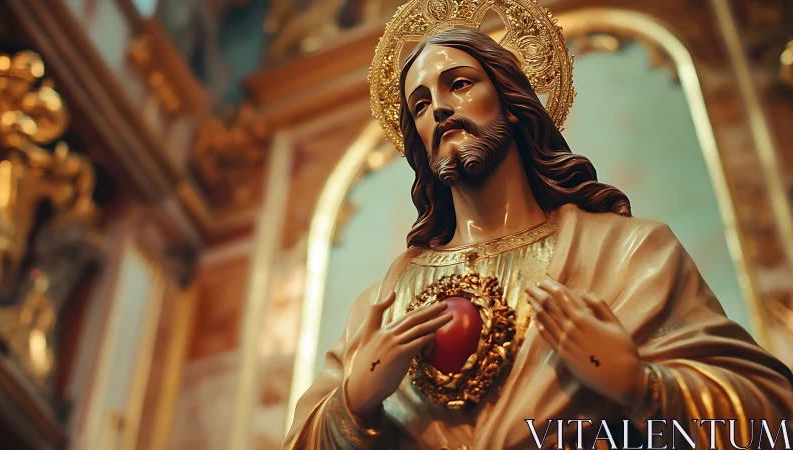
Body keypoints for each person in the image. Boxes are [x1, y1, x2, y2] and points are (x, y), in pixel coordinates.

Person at [283, 2, 793, 449]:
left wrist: (641, 385)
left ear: (511, 101)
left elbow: (773, 416)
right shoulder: (383, 304)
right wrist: (352, 407)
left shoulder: (628, 254)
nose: (438, 108)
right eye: (420, 104)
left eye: (459, 84)